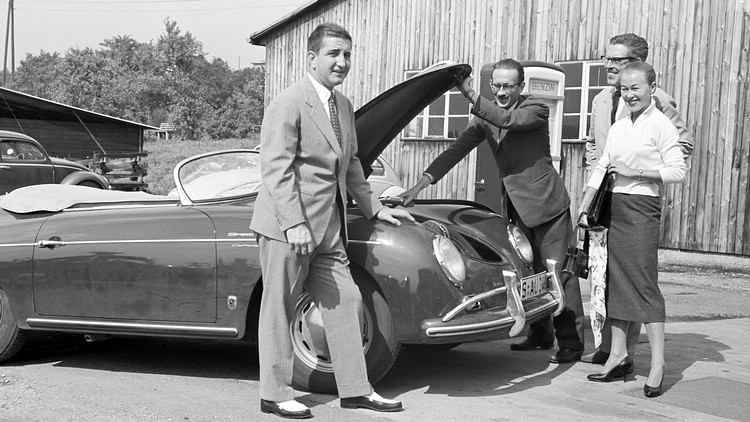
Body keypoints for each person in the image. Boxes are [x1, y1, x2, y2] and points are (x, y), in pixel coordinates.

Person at [250, 23, 413, 419]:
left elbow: (351, 163)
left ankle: (355, 390)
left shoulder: (343, 105)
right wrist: (294, 223)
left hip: (328, 229)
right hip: (287, 227)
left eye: (347, 55)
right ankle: (274, 393)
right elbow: (276, 169)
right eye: (333, 54)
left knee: (347, 301)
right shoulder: (289, 102)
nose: (342, 62)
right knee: (279, 308)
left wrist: (374, 206)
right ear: (312, 58)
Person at [400, 59, 585, 364]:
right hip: (516, 206)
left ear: (521, 86)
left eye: (508, 86)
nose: (501, 92)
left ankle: (571, 342)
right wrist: (419, 185)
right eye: (496, 85)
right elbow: (455, 151)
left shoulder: (536, 108)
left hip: (547, 206)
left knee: (558, 272)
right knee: (529, 272)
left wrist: (469, 94)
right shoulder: (485, 118)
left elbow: (508, 120)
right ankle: (540, 333)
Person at [582, 33, 694, 366]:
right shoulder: (602, 99)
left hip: (639, 198)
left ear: (637, 63)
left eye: (617, 60)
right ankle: (610, 349)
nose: (608, 65)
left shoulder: (658, 101)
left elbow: (681, 147)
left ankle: (626, 352)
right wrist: (597, 183)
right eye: (606, 58)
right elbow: (595, 145)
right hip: (607, 196)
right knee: (606, 274)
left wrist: (638, 167)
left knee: (635, 276)